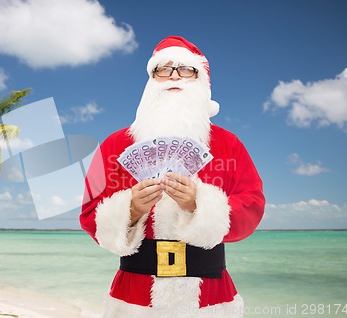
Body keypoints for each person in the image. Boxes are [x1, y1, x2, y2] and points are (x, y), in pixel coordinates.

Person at [80, 35, 265, 318]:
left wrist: (199, 204)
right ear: (151, 80)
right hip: (133, 298)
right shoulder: (114, 145)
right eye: (163, 69)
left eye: (186, 69)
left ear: (201, 81)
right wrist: (131, 209)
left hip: (211, 297)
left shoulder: (230, 145)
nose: (173, 76)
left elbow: (252, 206)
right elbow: (89, 213)